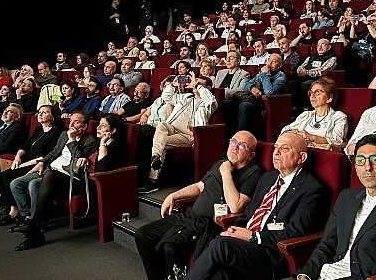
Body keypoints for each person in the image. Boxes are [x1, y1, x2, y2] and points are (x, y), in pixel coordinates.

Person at [184, 132, 329, 280]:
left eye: (284, 149)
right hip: (245, 244)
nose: (276, 153)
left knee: (220, 245)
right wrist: (235, 229)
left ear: (301, 158)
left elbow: (294, 232)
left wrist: (253, 236)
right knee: (219, 271)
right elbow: (249, 213)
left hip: (271, 253)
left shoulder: (311, 189)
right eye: (276, 147)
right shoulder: (267, 178)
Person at [135, 131, 262, 280]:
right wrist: (173, 195)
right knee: (143, 235)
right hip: (190, 217)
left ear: (251, 155)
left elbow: (235, 206)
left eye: (242, 146)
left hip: (209, 225)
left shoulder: (254, 173)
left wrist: (226, 172)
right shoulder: (220, 164)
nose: (235, 147)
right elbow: (200, 187)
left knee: (172, 247)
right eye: (233, 142)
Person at [293, 134, 376, 280]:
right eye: (360, 161)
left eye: (375, 160)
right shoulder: (346, 197)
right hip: (323, 273)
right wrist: (306, 275)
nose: (367, 168)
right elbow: (327, 244)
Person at [14, 111, 119, 251]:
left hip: (91, 184)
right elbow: (75, 160)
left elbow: (101, 170)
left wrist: (102, 145)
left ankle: (34, 225)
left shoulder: (112, 145)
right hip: (77, 178)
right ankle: (35, 231)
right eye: (99, 125)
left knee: (49, 177)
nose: (98, 128)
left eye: (103, 126)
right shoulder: (97, 142)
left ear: (113, 130)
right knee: (47, 177)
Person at [138, 76, 217, 193]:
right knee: (161, 126)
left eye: (200, 84)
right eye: (195, 83)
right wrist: (173, 85)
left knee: (161, 144)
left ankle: (152, 181)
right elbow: (166, 97)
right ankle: (155, 157)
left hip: (189, 136)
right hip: (173, 128)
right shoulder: (186, 97)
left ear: (208, 88)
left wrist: (197, 86)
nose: (195, 85)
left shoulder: (208, 103)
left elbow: (211, 100)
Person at [0, 105, 62, 227]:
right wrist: (18, 157)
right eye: (39, 112)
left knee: (8, 177)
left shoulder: (56, 131)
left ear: (51, 117)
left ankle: (17, 212)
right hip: (27, 159)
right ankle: (15, 208)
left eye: (44, 112)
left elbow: (49, 155)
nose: (40, 114)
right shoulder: (39, 128)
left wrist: (25, 164)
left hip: (38, 163)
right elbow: (26, 146)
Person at [281, 77, 347, 150]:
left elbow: (336, 141)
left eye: (317, 92)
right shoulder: (306, 115)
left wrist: (311, 137)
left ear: (329, 98)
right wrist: (296, 135)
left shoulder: (339, 117)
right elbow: (286, 130)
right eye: (311, 92)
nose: (312, 96)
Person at [234, 54, 286, 133]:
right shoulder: (261, 74)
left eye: (274, 61)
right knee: (231, 103)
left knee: (244, 106)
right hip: (254, 100)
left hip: (266, 105)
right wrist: (252, 88)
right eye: (269, 60)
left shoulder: (280, 77)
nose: (269, 63)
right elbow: (246, 85)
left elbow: (269, 92)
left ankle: (240, 137)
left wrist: (265, 74)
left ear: (279, 66)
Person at [294, 39, 338, 112]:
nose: (320, 47)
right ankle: (296, 108)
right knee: (293, 83)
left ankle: (307, 108)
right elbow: (301, 66)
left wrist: (307, 72)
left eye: (323, 44)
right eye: (318, 45)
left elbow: (323, 70)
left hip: (320, 79)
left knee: (305, 85)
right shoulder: (311, 57)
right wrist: (300, 71)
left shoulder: (332, 57)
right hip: (306, 77)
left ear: (329, 47)